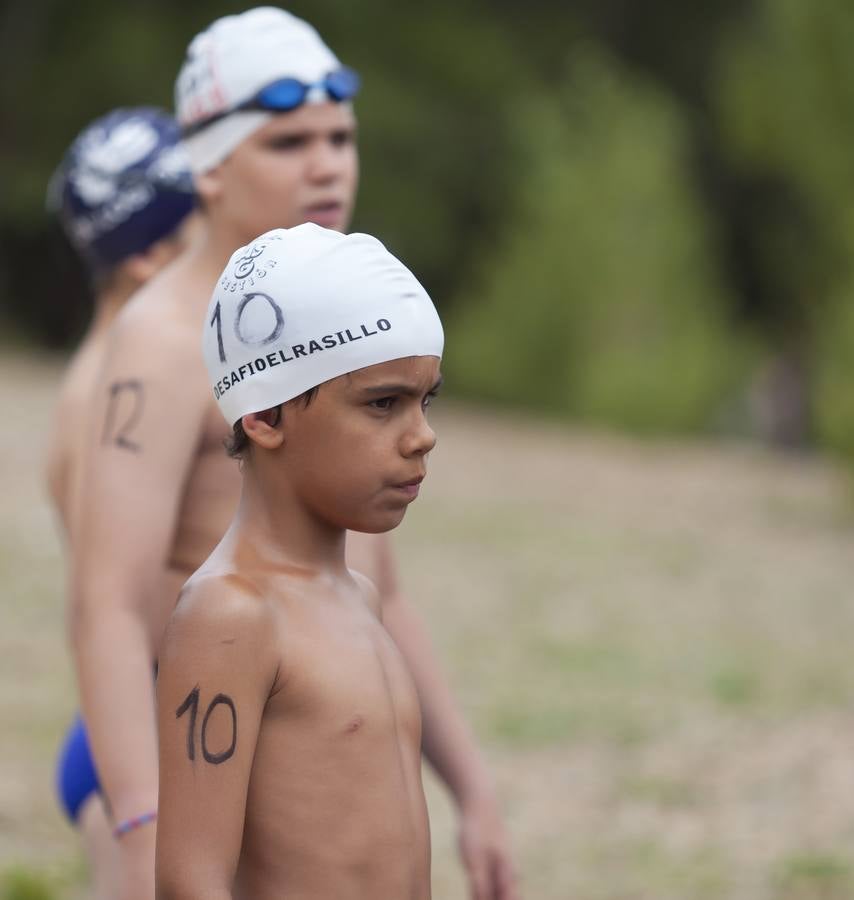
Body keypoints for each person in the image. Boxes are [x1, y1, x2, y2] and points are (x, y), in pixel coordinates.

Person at [72, 9, 517, 900]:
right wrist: (140, 817)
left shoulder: (354, 330)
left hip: (320, 728)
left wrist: (472, 788)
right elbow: (109, 603)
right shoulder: (159, 342)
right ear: (207, 164)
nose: (326, 164)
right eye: (289, 142)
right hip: (187, 745)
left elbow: (383, 598)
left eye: (340, 138)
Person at [157, 223, 443, 899]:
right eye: (383, 404)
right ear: (265, 416)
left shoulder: (358, 597)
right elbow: (188, 878)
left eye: (426, 400)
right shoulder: (230, 614)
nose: (423, 435)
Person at [45, 107, 197, 899]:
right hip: (142, 739)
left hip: (138, 724)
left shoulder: (106, 369)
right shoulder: (117, 384)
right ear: (148, 254)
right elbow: (118, 594)